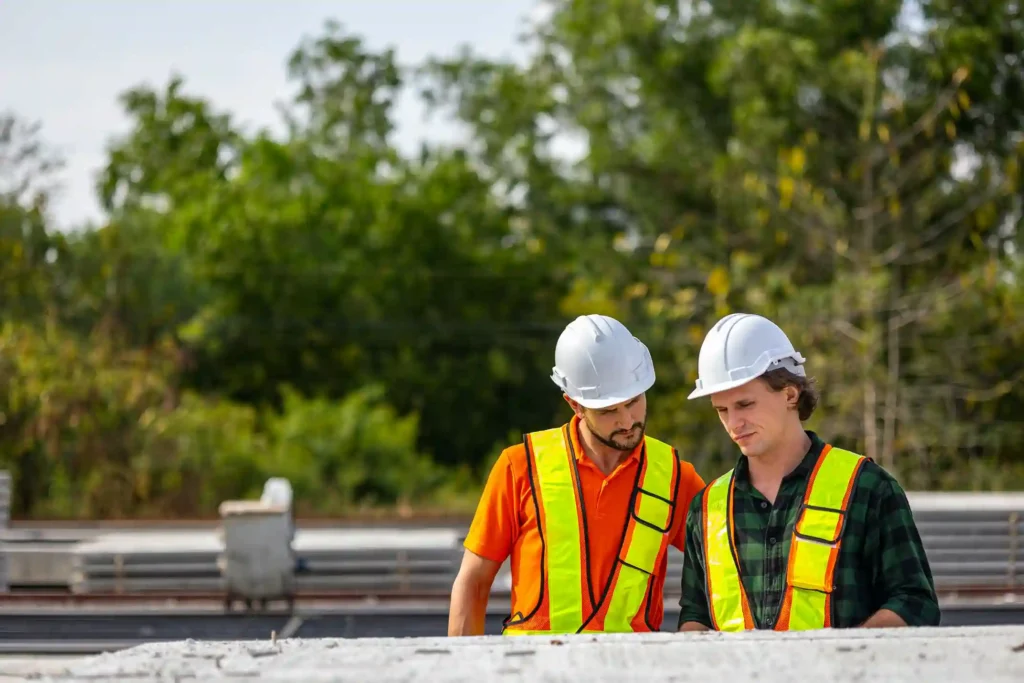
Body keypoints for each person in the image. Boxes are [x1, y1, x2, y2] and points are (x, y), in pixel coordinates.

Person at [676, 312, 940, 632]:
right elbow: (696, 616)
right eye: (722, 410)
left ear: (790, 393)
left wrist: (845, 655)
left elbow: (915, 602)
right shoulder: (707, 510)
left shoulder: (867, 489)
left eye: (745, 405)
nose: (734, 423)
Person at [448, 314, 706, 636]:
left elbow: (722, 566)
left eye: (634, 401)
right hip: (532, 669)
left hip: (632, 668)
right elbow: (473, 582)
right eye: (608, 410)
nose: (627, 421)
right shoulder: (520, 468)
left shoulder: (673, 477)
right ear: (574, 404)